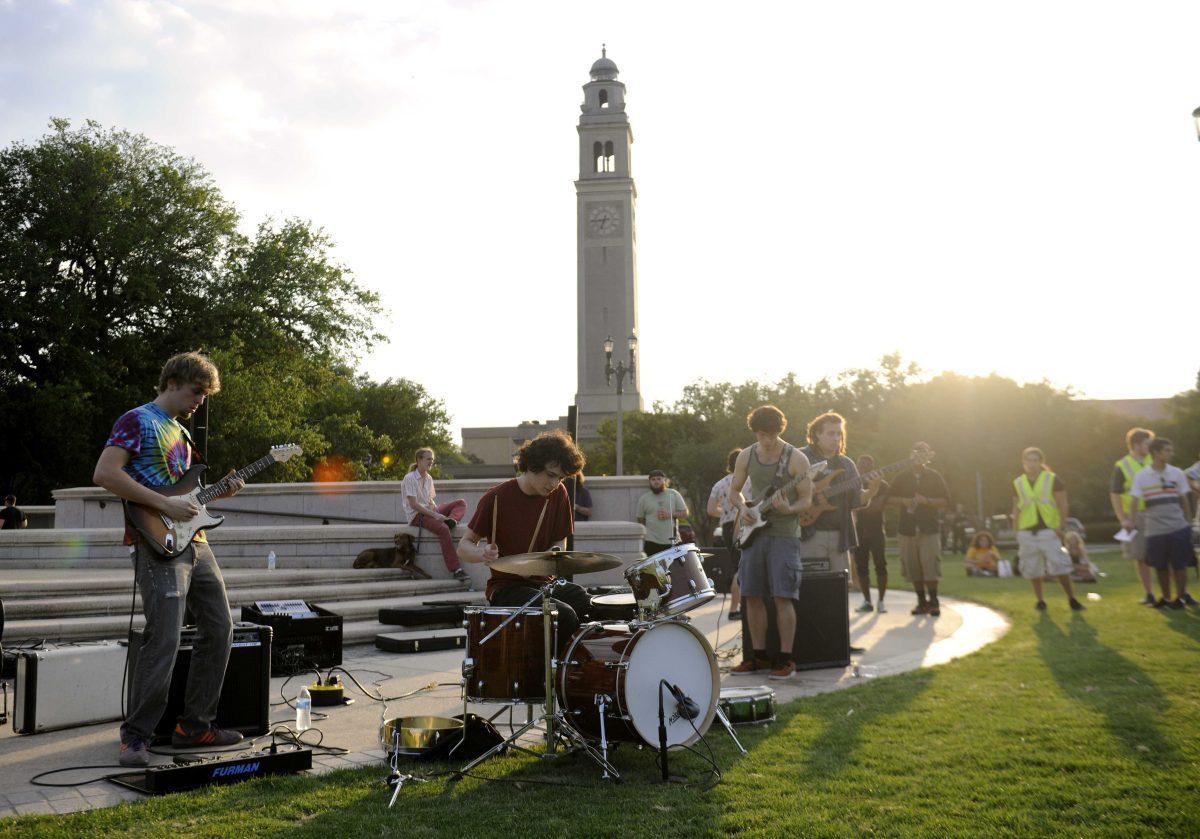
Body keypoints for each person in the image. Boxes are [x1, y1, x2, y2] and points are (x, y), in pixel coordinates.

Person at [93, 352, 246, 768]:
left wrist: (219, 493)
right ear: (174, 380)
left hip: (194, 541)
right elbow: (105, 474)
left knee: (220, 627)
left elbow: (187, 495)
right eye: (197, 391)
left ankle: (195, 727)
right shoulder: (137, 420)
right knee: (164, 636)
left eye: (205, 395)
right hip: (155, 543)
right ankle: (136, 737)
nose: (200, 400)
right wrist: (164, 503)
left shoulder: (183, 432)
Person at [457, 430, 595, 644]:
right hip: (507, 587)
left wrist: (555, 553)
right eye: (551, 475)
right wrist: (482, 553)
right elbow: (464, 546)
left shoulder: (559, 494)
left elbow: (560, 540)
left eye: (560, 478)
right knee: (563, 615)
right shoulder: (496, 498)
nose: (555, 483)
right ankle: (549, 673)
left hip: (544, 582)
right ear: (532, 466)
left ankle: (573, 671)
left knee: (588, 603)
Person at [728, 405, 813, 680]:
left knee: (782, 596)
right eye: (763, 434)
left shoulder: (797, 459)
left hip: (784, 535)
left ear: (781, 430)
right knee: (751, 595)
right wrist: (744, 509)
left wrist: (789, 509)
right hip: (754, 534)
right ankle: (759, 657)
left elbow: (806, 500)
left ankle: (786, 660)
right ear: (755, 432)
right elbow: (734, 491)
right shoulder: (746, 455)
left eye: (773, 434)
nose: (768, 440)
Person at [799, 413, 872, 587]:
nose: (836, 438)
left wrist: (871, 492)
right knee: (812, 588)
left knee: (839, 589)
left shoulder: (847, 464)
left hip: (840, 537)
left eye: (839, 434)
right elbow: (785, 490)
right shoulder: (801, 457)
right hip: (809, 533)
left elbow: (856, 501)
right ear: (817, 434)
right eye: (831, 433)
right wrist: (813, 493)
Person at [1011, 447, 1085, 612]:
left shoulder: (1052, 479)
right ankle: (1040, 601)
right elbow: (1016, 507)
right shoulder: (1018, 482)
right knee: (1032, 568)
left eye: (1035, 460)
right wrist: (1015, 530)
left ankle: (1072, 599)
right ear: (1023, 463)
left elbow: (1062, 503)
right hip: (1026, 531)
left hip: (1048, 529)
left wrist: (1061, 526)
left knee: (1059, 564)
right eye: (1028, 460)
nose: (1032, 463)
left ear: (1041, 462)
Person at [1128, 437, 1197, 609]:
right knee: (1160, 567)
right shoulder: (1142, 476)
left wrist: (1188, 522)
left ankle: (1179, 599)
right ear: (1156, 453)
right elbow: (1135, 501)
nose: (1171, 453)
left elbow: (1184, 499)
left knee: (1180, 565)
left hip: (1178, 527)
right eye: (1167, 450)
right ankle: (1166, 599)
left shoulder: (1177, 473)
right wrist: (1132, 522)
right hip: (1154, 530)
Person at [888, 442, 948, 616]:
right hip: (907, 529)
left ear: (928, 456)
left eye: (923, 453)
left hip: (928, 528)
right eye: (916, 452)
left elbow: (945, 501)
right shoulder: (901, 477)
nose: (919, 456)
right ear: (911, 454)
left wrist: (926, 501)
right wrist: (903, 501)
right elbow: (889, 499)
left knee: (930, 565)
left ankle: (934, 601)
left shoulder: (934, 476)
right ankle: (921, 602)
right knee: (913, 567)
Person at [401, 447, 469, 582]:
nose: (431, 461)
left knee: (460, 503)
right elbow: (414, 504)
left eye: (432, 459)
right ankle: (456, 570)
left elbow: (430, 499)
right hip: (417, 516)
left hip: (431, 511)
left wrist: (435, 508)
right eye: (428, 459)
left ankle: (453, 521)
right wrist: (436, 515)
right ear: (419, 460)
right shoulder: (410, 478)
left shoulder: (429, 478)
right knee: (443, 530)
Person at [1110, 427, 1156, 604]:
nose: (1150, 447)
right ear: (1136, 445)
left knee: (1164, 553)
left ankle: (1175, 594)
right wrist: (1123, 519)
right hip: (1135, 516)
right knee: (1140, 556)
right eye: (1147, 444)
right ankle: (1149, 594)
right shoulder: (1122, 465)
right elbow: (1115, 494)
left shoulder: (1155, 460)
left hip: (1157, 512)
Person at [708, 448, 750, 620]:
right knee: (744, 566)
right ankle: (735, 609)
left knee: (737, 566)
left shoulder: (720, 484)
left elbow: (711, 510)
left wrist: (726, 513)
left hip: (727, 527)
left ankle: (736, 608)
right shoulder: (750, 481)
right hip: (748, 524)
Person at [851, 454, 890, 612]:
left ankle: (881, 600)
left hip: (876, 530)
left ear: (872, 467)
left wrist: (862, 501)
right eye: (861, 465)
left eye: (867, 465)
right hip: (859, 530)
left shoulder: (883, 485)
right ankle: (867, 601)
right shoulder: (854, 485)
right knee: (862, 567)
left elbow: (876, 507)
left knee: (880, 565)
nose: (863, 468)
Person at [636, 469, 689, 557]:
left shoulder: (673, 494)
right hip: (651, 542)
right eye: (653, 480)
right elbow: (640, 519)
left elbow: (685, 513)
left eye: (658, 479)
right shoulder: (644, 498)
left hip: (673, 541)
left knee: (675, 570)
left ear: (664, 480)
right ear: (650, 482)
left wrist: (670, 514)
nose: (656, 482)